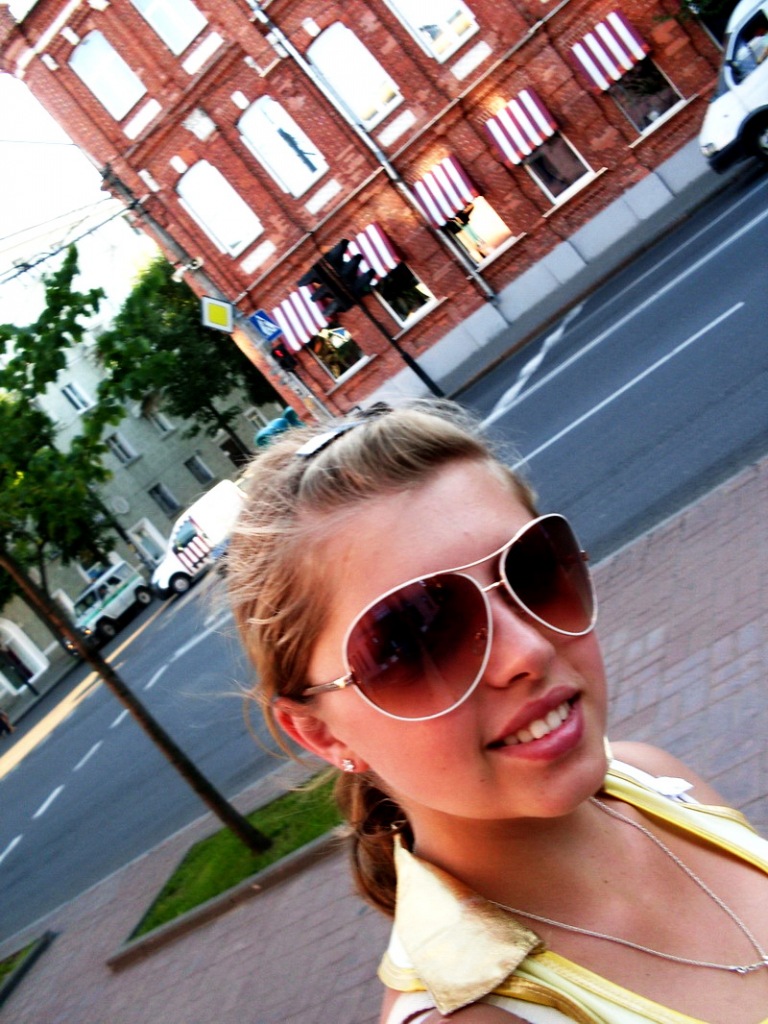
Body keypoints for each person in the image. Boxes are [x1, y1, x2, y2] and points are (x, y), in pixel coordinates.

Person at [227, 401, 768, 1024]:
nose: (528, 651)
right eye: (417, 637)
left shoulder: (652, 778)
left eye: (532, 571)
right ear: (320, 733)